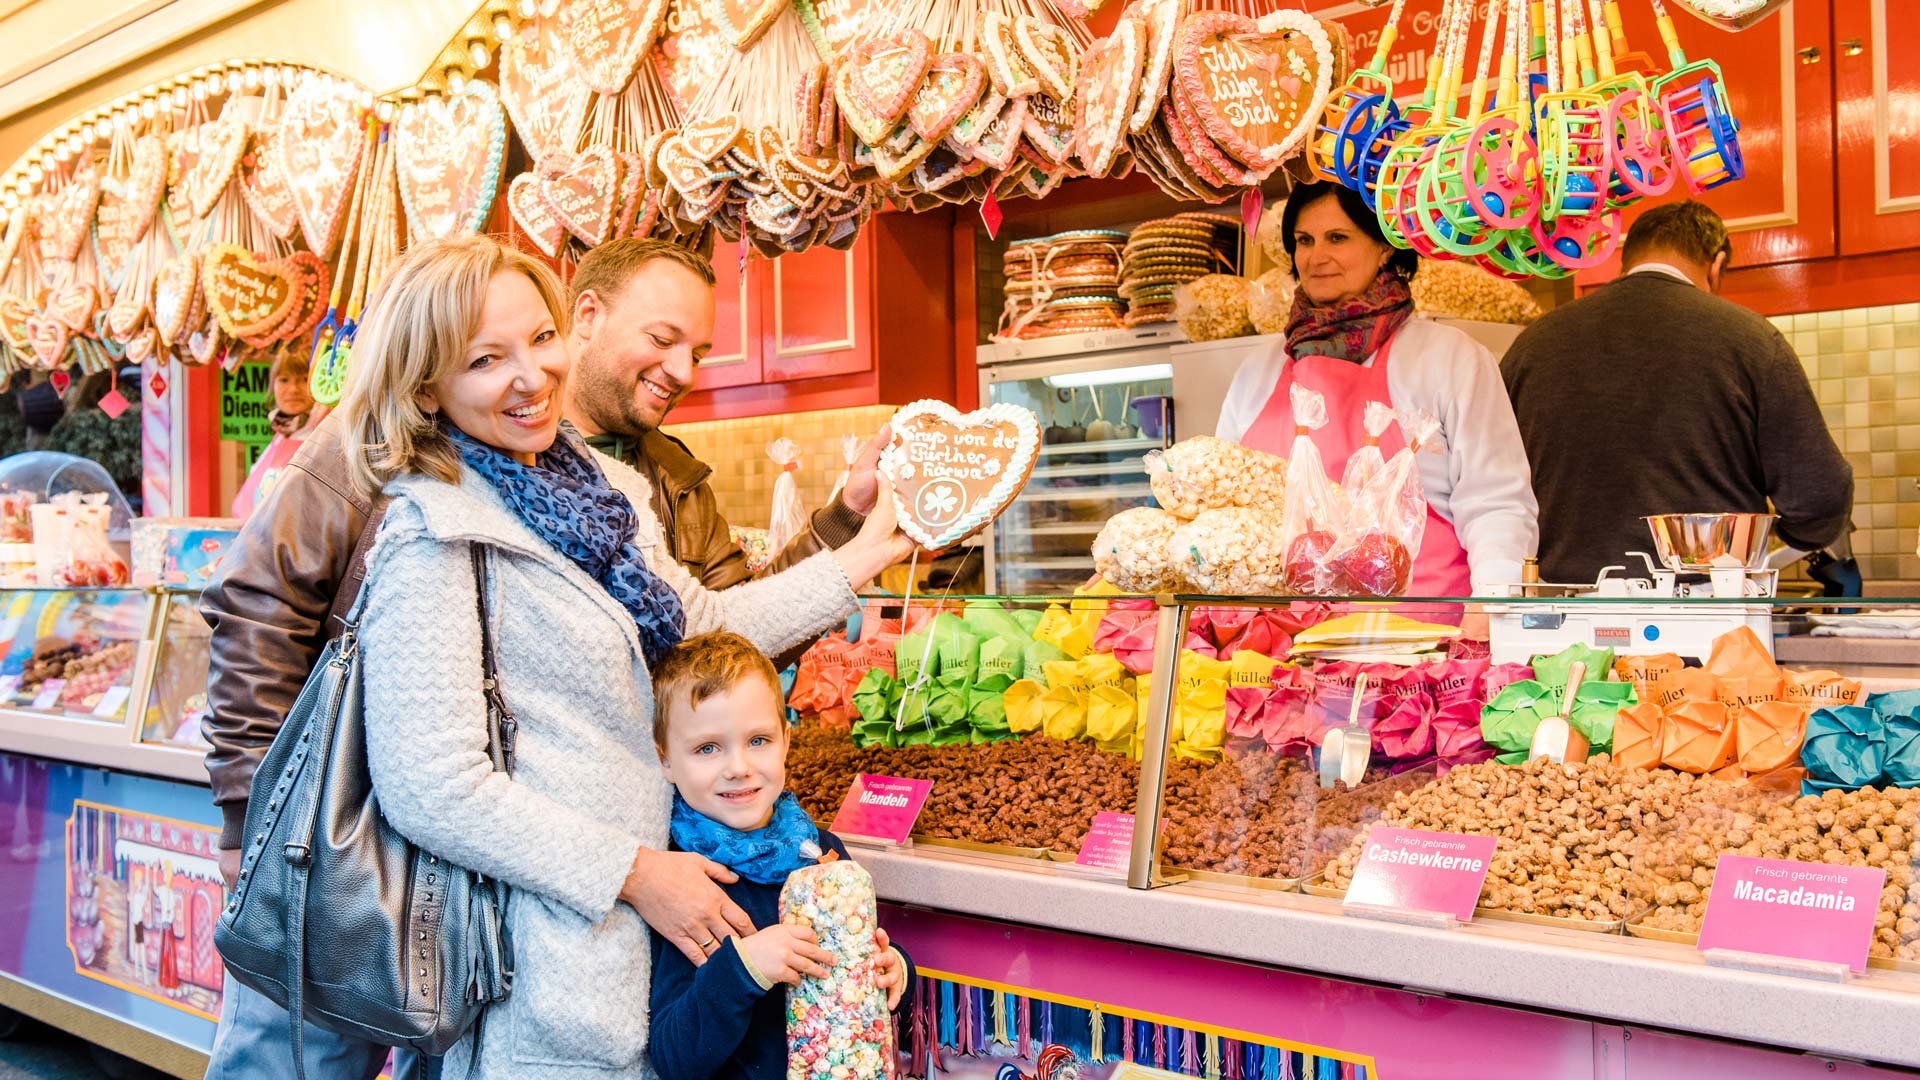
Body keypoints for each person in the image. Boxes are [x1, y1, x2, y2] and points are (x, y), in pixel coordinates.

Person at [200, 238, 884, 1076]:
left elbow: (700, 620)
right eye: (486, 359)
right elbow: (432, 784)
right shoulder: (434, 529)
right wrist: (634, 872)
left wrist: (863, 549)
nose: (532, 375)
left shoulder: (599, 494)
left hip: (606, 938)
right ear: (429, 383)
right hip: (506, 933)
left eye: (540, 338)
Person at [1501, 201, 1854, 584]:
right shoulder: (1751, 341)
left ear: (1625, 261)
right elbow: (1820, 497)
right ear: (1716, 265)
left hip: (1561, 604)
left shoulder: (1533, 345)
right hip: (1709, 606)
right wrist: (1785, 535)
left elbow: (1493, 485)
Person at [1215, 181, 1538, 595]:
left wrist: (1493, 606)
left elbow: (1496, 502)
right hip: (1280, 628)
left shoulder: (1448, 357)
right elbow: (1224, 505)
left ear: (1385, 246)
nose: (1317, 257)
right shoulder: (1257, 370)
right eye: (1304, 240)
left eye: (1337, 238)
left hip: (1422, 626)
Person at [645, 632, 912, 1080]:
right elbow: (674, 1057)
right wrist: (745, 968)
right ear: (665, 759)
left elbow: (860, 961)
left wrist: (895, 969)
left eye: (758, 740)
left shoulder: (823, 851)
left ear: (786, 740)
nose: (738, 767)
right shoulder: (681, 880)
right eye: (707, 748)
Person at [230, 350, 316, 518]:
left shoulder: (320, 438)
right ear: (272, 385)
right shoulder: (281, 435)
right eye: (284, 379)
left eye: (304, 379)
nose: (293, 389)